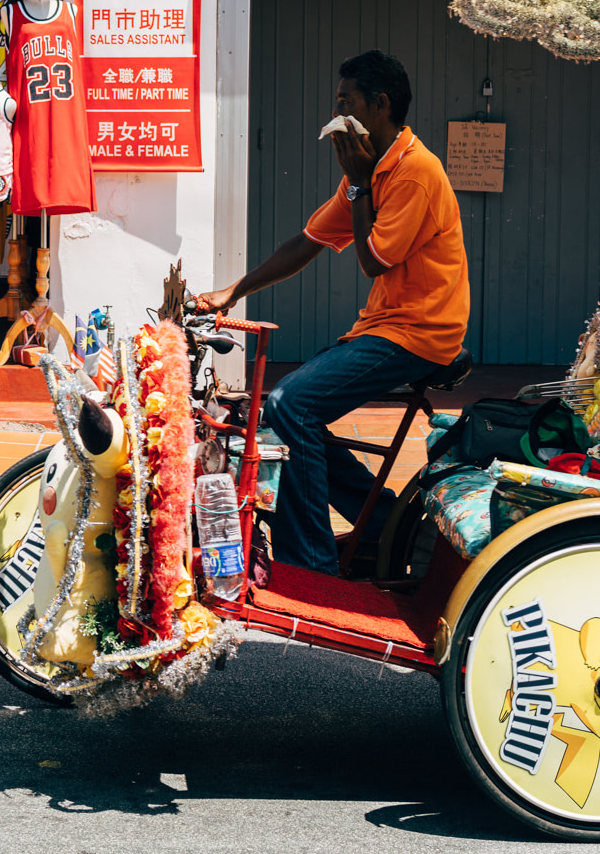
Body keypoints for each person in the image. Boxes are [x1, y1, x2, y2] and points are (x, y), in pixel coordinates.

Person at [193, 51, 468, 576]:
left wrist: (360, 183)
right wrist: (234, 290)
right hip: (383, 326)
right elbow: (310, 239)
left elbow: (372, 260)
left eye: (347, 101)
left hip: (419, 333)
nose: (337, 110)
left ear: (380, 105)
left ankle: (312, 566)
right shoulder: (371, 171)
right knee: (287, 413)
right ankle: (387, 525)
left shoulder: (413, 173)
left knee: (291, 404)